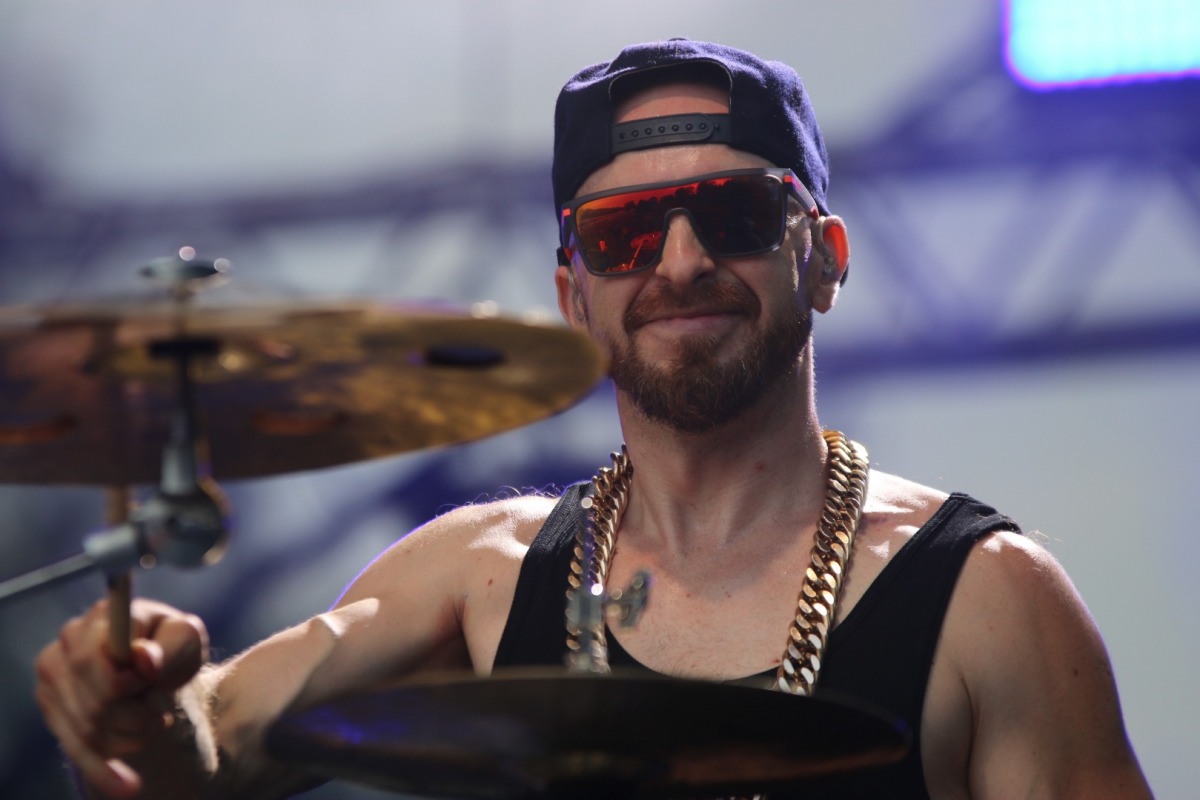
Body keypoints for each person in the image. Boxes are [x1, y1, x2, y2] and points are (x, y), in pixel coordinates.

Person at [34, 39, 1152, 799]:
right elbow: (210, 745)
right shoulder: (479, 575)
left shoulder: (990, 599)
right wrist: (137, 705)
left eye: (734, 213)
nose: (682, 260)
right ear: (574, 298)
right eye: (623, 234)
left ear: (824, 258)